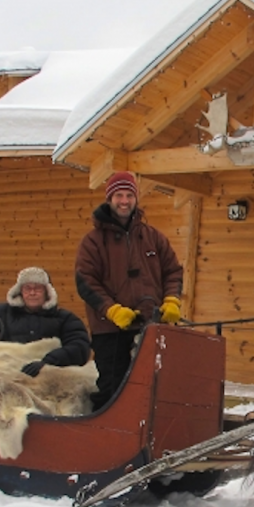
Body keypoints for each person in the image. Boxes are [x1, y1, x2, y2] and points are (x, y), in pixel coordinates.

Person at [76, 171, 184, 409]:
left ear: (136, 199)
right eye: (118, 195)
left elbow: (173, 271)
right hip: (110, 331)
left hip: (151, 326)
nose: (124, 201)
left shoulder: (153, 237)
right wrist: (112, 310)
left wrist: (171, 301)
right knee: (113, 391)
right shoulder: (93, 242)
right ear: (109, 199)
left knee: (154, 388)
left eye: (129, 195)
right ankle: (105, 441)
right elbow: (85, 281)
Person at [0, 267, 91, 377]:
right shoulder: (1, 311)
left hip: (47, 377)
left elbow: (80, 347)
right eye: (27, 288)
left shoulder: (64, 319)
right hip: (7, 375)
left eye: (38, 288)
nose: (32, 292)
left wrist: (49, 361)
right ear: (20, 291)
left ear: (47, 292)